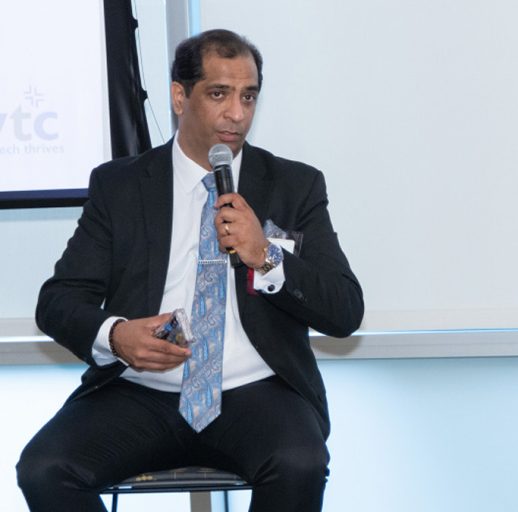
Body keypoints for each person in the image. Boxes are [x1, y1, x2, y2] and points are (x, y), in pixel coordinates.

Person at [17, 29, 363, 511]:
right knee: (44, 469)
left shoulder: (294, 185)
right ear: (180, 96)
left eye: (248, 96)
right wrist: (116, 336)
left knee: (300, 461)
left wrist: (267, 256)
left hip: (255, 390)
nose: (237, 114)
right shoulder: (120, 186)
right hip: (141, 393)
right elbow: (57, 302)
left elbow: (345, 311)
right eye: (219, 94)